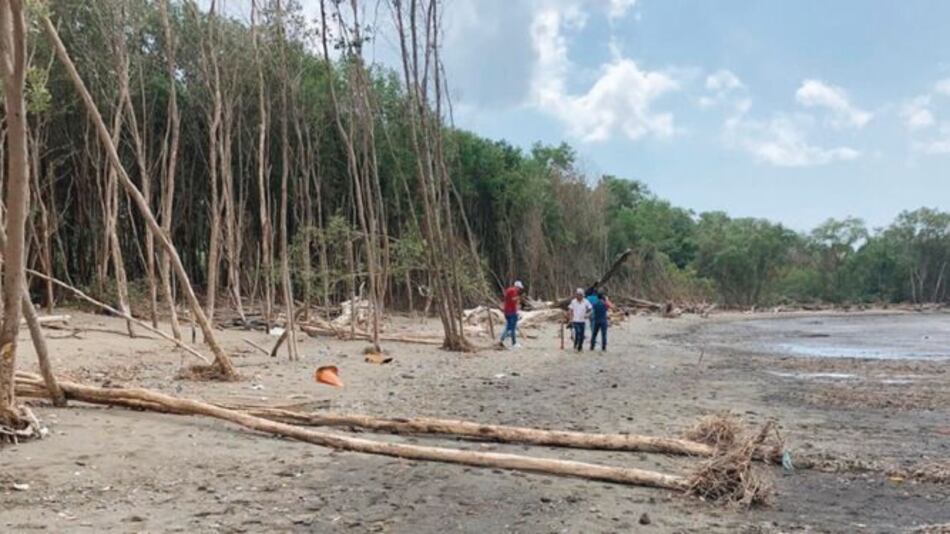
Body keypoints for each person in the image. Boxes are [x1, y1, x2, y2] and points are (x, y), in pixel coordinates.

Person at [499, 280, 524, 348]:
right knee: (512, 328)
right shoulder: (513, 291)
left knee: (508, 327)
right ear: (517, 287)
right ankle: (513, 343)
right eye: (519, 288)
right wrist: (519, 298)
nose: (519, 289)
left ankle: (501, 340)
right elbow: (513, 299)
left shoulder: (508, 290)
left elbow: (507, 299)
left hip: (507, 311)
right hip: (511, 312)